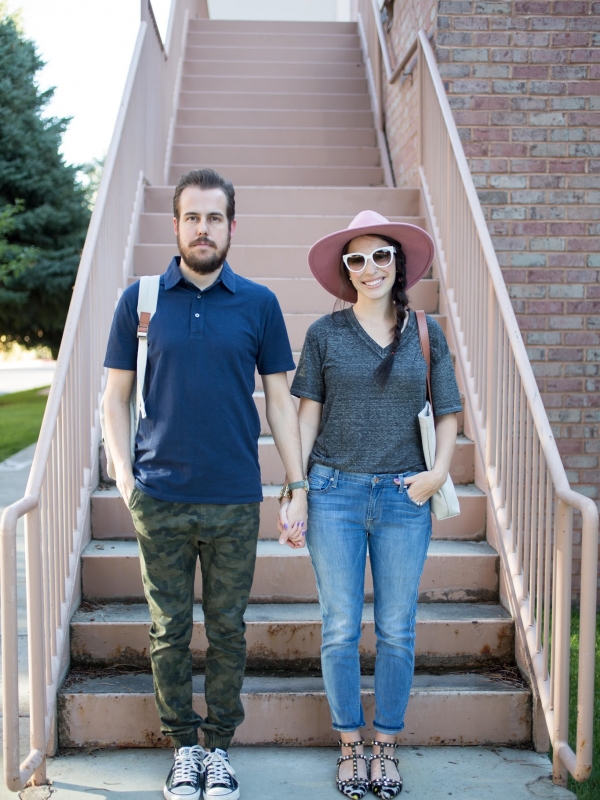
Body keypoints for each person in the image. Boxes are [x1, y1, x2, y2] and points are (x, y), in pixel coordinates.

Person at [103, 168, 306, 800]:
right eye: (192, 217)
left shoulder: (259, 303)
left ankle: (218, 749)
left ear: (231, 227)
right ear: (175, 225)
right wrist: (123, 472)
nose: (203, 228)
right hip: (158, 497)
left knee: (226, 630)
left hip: (234, 498)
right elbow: (115, 397)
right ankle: (182, 748)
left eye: (214, 217)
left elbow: (279, 401)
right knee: (167, 629)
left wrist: (294, 483)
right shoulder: (138, 300)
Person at [279, 210, 462, 799]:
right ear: (345, 271)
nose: (368, 268)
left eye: (380, 255)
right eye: (355, 259)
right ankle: (350, 746)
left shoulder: (426, 333)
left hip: (406, 497)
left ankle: (385, 745)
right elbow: (305, 413)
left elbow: (449, 410)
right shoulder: (324, 336)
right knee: (338, 628)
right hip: (333, 493)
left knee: (397, 630)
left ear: (398, 262)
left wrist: (437, 475)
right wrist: (295, 490)